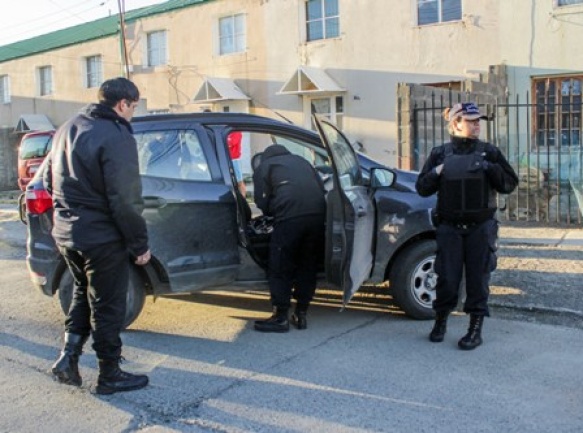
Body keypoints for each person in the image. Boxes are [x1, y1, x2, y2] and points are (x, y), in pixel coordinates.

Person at [44, 77, 152, 393]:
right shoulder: (116, 135)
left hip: (67, 233)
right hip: (102, 238)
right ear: (123, 104)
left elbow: (52, 182)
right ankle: (110, 374)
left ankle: (68, 358)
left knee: (81, 292)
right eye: (134, 106)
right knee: (108, 304)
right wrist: (139, 244)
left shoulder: (68, 127)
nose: (132, 113)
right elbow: (125, 198)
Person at [415, 102, 518, 350]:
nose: (477, 125)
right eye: (471, 121)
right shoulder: (440, 154)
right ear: (455, 123)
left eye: (478, 121)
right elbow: (422, 188)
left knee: (477, 280)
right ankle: (440, 322)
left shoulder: (489, 152)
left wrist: (490, 168)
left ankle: (475, 330)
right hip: (449, 227)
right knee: (447, 279)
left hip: (480, 228)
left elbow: (509, 184)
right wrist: (437, 171)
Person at [252, 144, 326, 332]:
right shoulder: (304, 162)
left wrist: (272, 211)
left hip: (289, 218)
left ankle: (280, 317)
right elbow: (321, 188)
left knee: (280, 265)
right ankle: (301, 314)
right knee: (307, 264)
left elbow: (261, 201)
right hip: (318, 218)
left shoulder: (265, 166)